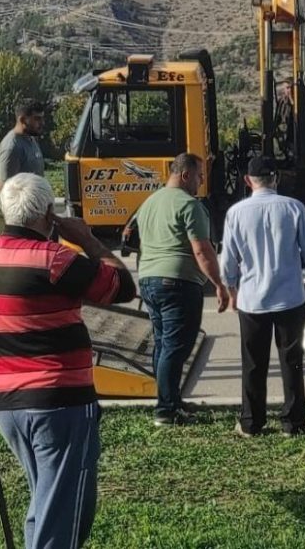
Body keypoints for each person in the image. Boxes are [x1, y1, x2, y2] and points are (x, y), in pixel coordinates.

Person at [0, 172, 136, 549]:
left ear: (4, 211)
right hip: (60, 403)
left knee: (45, 500)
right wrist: (86, 237)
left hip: (9, 404)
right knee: (64, 513)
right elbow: (122, 286)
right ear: (49, 213)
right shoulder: (56, 260)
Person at [221, 155, 305, 437]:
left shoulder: (236, 213)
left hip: (252, 299)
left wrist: (230, 287)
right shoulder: (294, 208)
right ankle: (293, 422)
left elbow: (228, 258)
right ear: (276, 178)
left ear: (247, 181)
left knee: (253, 363)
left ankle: (251, 422)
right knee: (292, 361)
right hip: (290, 296)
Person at [136, 153, 229, 426]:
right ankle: (166, 410)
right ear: (186, 175)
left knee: (163, 343)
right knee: (177, 346)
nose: (201, 182)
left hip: (150, 280)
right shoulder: (189, 205)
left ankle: (170, 399)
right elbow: (202, 250)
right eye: (200, 175)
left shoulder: (149, 203)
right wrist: (219, 284)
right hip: (178, 282)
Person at [0, 99, 46, 191]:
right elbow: (5, 190)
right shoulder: (11, 147)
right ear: (22, 120)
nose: (42, 123)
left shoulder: (31, 139)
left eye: (42, 118)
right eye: (37, 119)